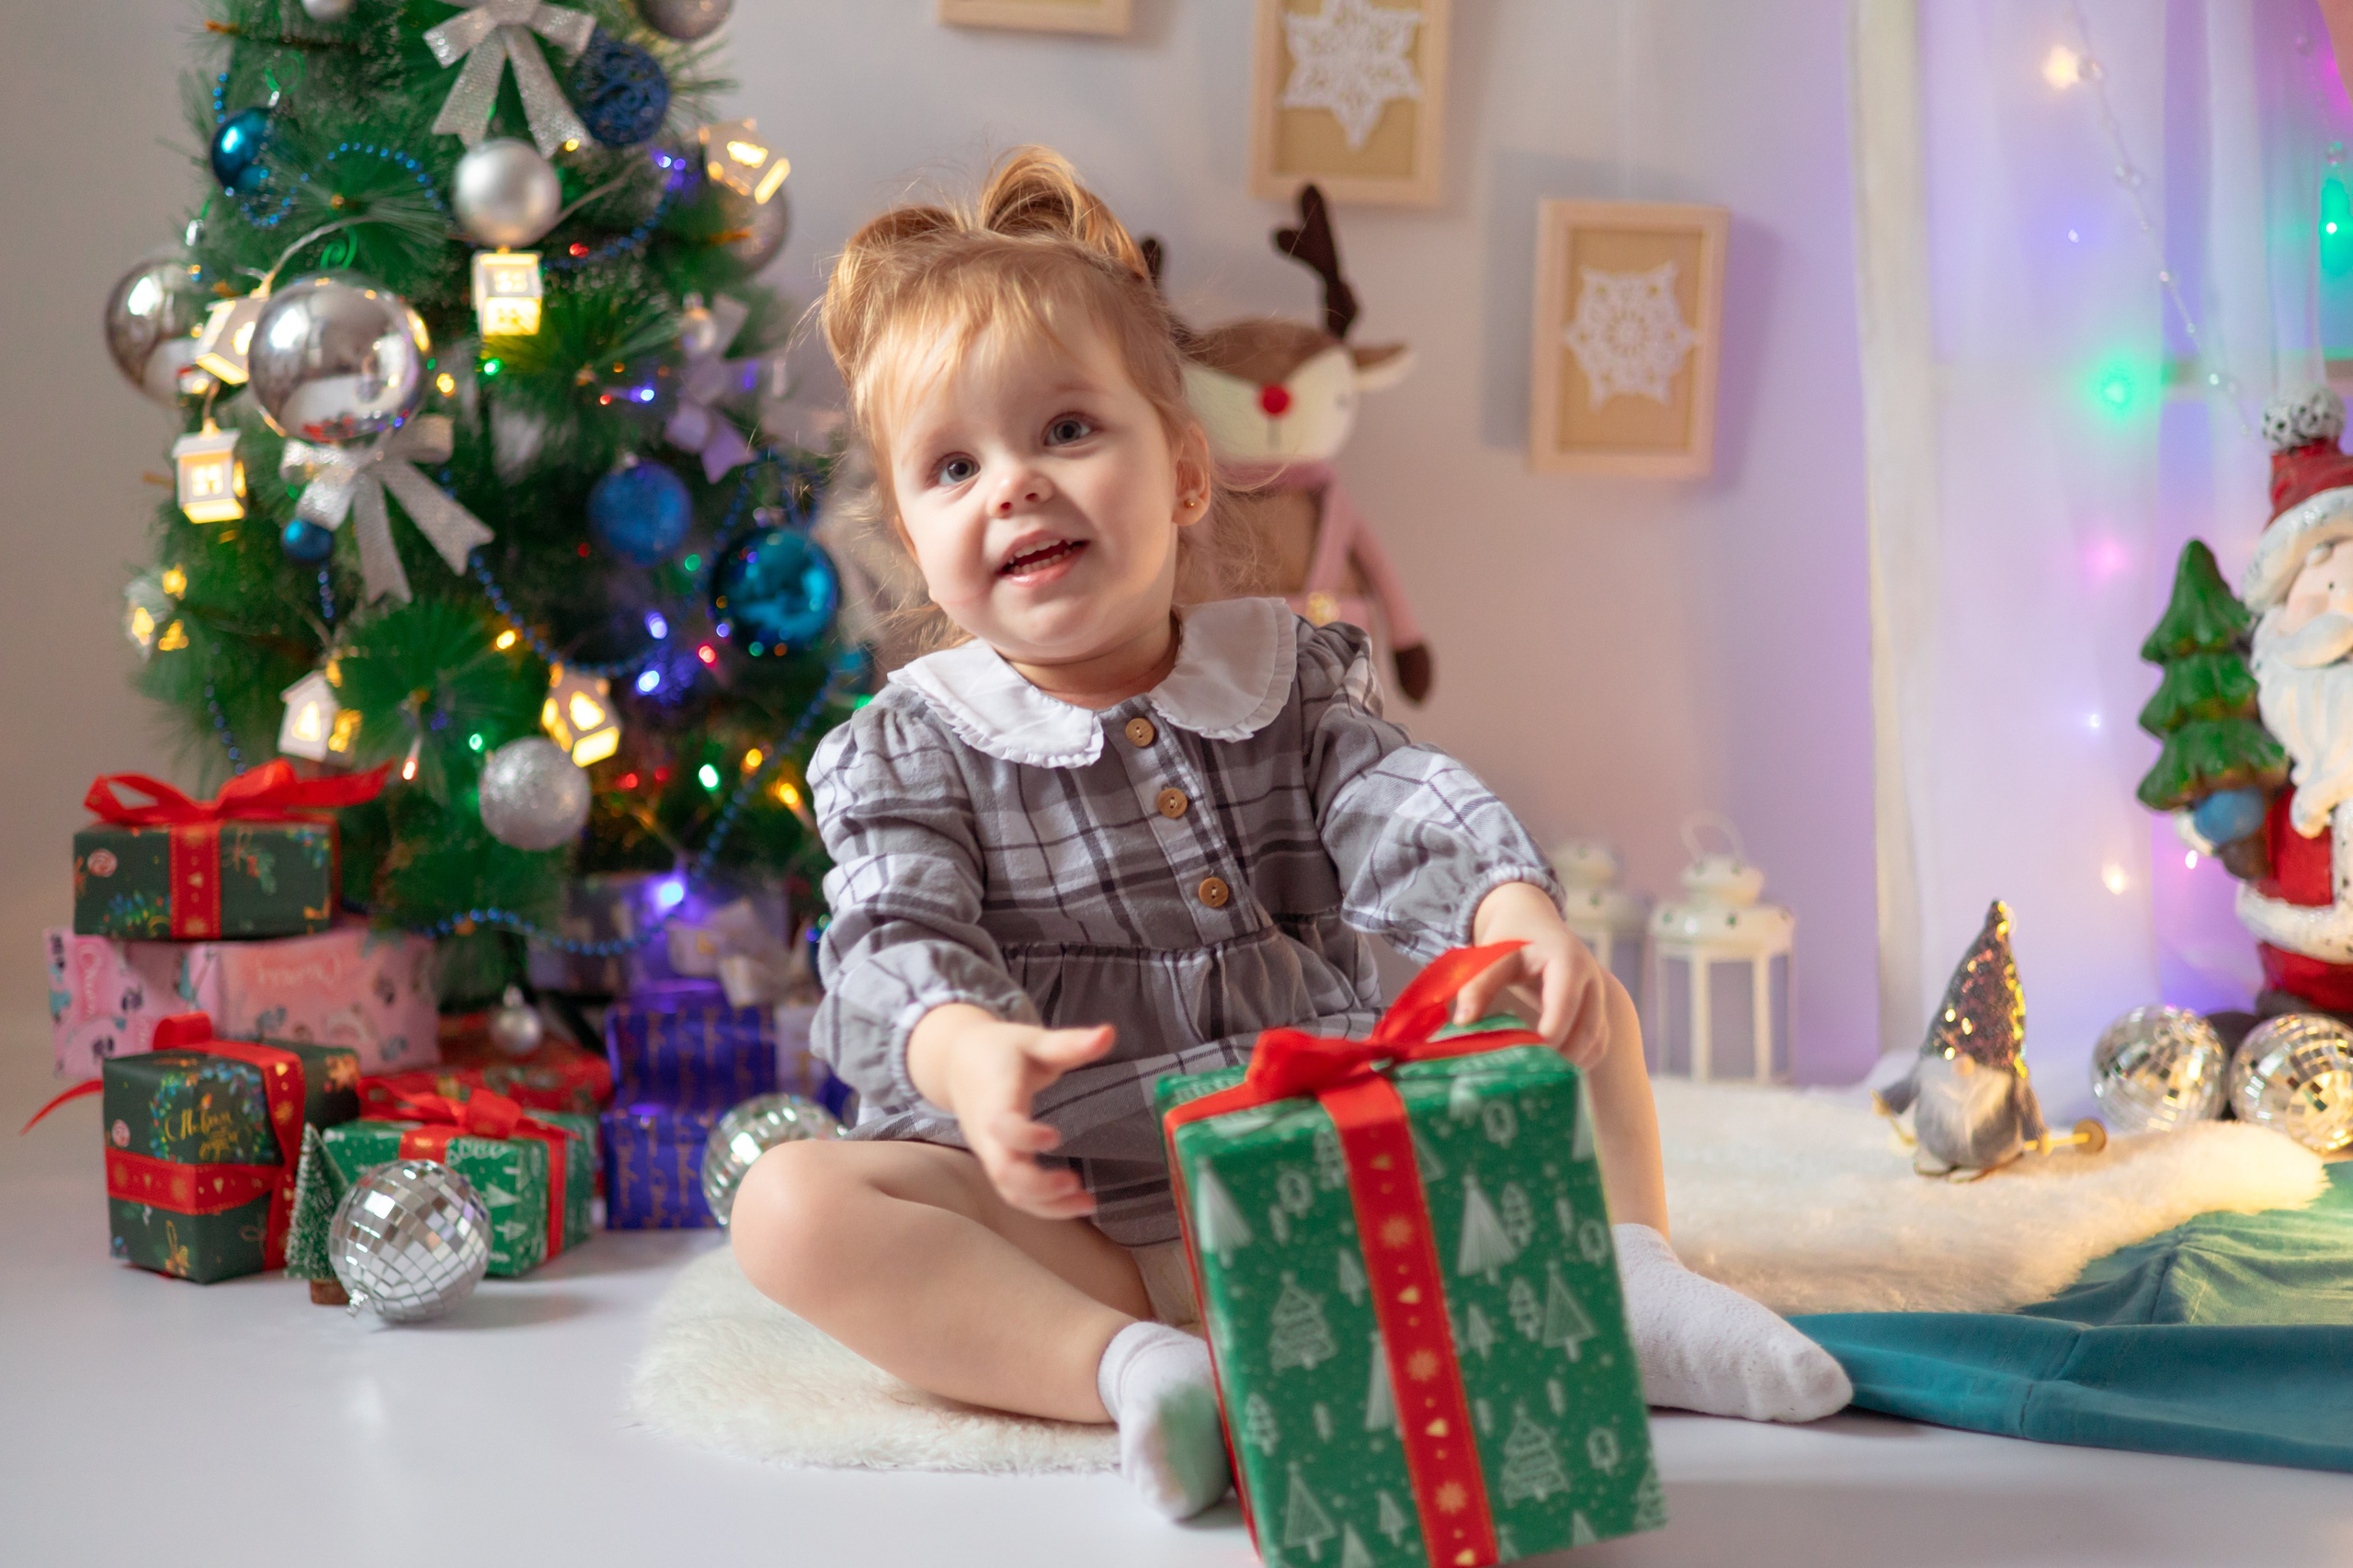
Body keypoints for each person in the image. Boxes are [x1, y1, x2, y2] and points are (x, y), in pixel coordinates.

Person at [727, 147, 1850, 1520]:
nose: (1012, 484)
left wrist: (1510, 910)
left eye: (1067, 430)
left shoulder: (1287, 677)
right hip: (1074, 1223)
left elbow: (1399, 800)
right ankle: (1137, 1371)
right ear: (913, 539)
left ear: (1187, 475)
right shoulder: (908, 746)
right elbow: (889, 932)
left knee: (1574, 1000)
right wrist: (961, 1051)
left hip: (1329, 1188)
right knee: (787, 1206)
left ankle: (1621, 1279)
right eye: (953, 466)